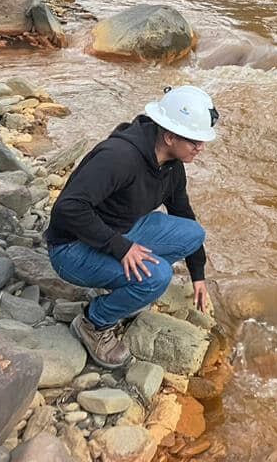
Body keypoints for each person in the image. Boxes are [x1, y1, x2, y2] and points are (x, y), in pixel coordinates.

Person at [45, 84, 218, 368]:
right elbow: (68, 208)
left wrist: (198, 274)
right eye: (195, 141)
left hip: (119, 228)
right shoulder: (119, 158)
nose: (201, 148)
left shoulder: (171, 165)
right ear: (170, 136)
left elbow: (183, 214)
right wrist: (121, 248)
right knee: (158, 276)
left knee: (193, 234)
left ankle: (127, 287)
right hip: (71, 248)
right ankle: (94, 322)